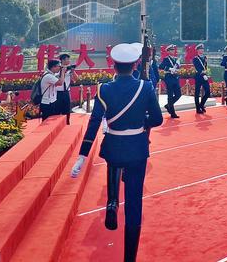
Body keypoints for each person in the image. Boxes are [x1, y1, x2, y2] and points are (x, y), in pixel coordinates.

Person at [70, 42, 163, 262]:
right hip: (137, 148)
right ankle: (129, 258)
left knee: (113, 168)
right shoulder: (146, 87)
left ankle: (112, 202)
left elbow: (93, 123)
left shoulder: (104, 89)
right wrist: (141, 121)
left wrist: (82, 157)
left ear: (113, 65)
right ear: (135, 65)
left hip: (114, 145)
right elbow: (157, 119)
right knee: (134, 203)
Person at [159, 46, 182, 118]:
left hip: (175, 78)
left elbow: (178, 68)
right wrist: (169, 69)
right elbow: (161, 66)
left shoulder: (176, 59)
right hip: (169, 78)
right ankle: (172, 113)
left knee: (178, 94)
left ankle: (168, 105)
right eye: (171, 50)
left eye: (173, 50)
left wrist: (178, 66)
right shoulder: (166, 59)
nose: (173, 51)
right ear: (168, 51)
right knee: (170, 95)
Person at [55, 53, 76, 124]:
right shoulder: (57, 68)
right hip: (58, 92)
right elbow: (56, 78)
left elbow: (76, 79)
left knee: (67, 110)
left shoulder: (69, 68)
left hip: (66, 92)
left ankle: (67, 123)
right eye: (67, 59)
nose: (69, 61)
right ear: (62, 60)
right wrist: (62, 71)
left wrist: (73, 72)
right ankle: (57, 124)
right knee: (57, 110)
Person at [192, 44, 211, 114]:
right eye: (200, 49)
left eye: (202, 49)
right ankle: (197, 108)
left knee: (208, 92)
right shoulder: (195, 59)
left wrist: (206, 74)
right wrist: (203, 74)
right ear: (197, 50)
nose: (202, 50)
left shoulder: (205, 57)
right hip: (198, 77)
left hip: (205, 77)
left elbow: (205, 67)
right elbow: (197, 68)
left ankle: (201, 105)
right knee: (197, 93)